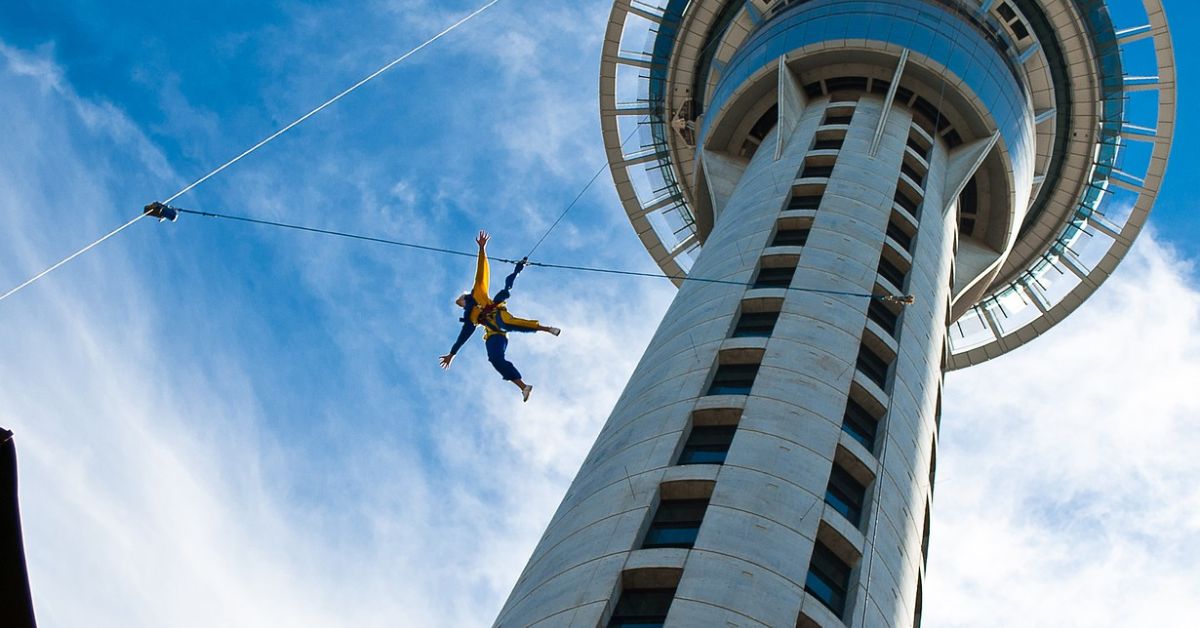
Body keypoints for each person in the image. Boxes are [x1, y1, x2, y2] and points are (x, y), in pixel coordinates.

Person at [439, 231, 560, 402]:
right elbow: (464, 336)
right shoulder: (471, 318)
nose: (463, 307)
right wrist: (452, 354)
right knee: (494, 359)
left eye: (462, 302)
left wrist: (482, 248)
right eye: (461, 306)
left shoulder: (478, 293)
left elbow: (481, 271)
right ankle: (524, 387)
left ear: (465, 297)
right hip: (496, 335)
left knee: (507, 320)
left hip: (499, 316)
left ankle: (547, 329)